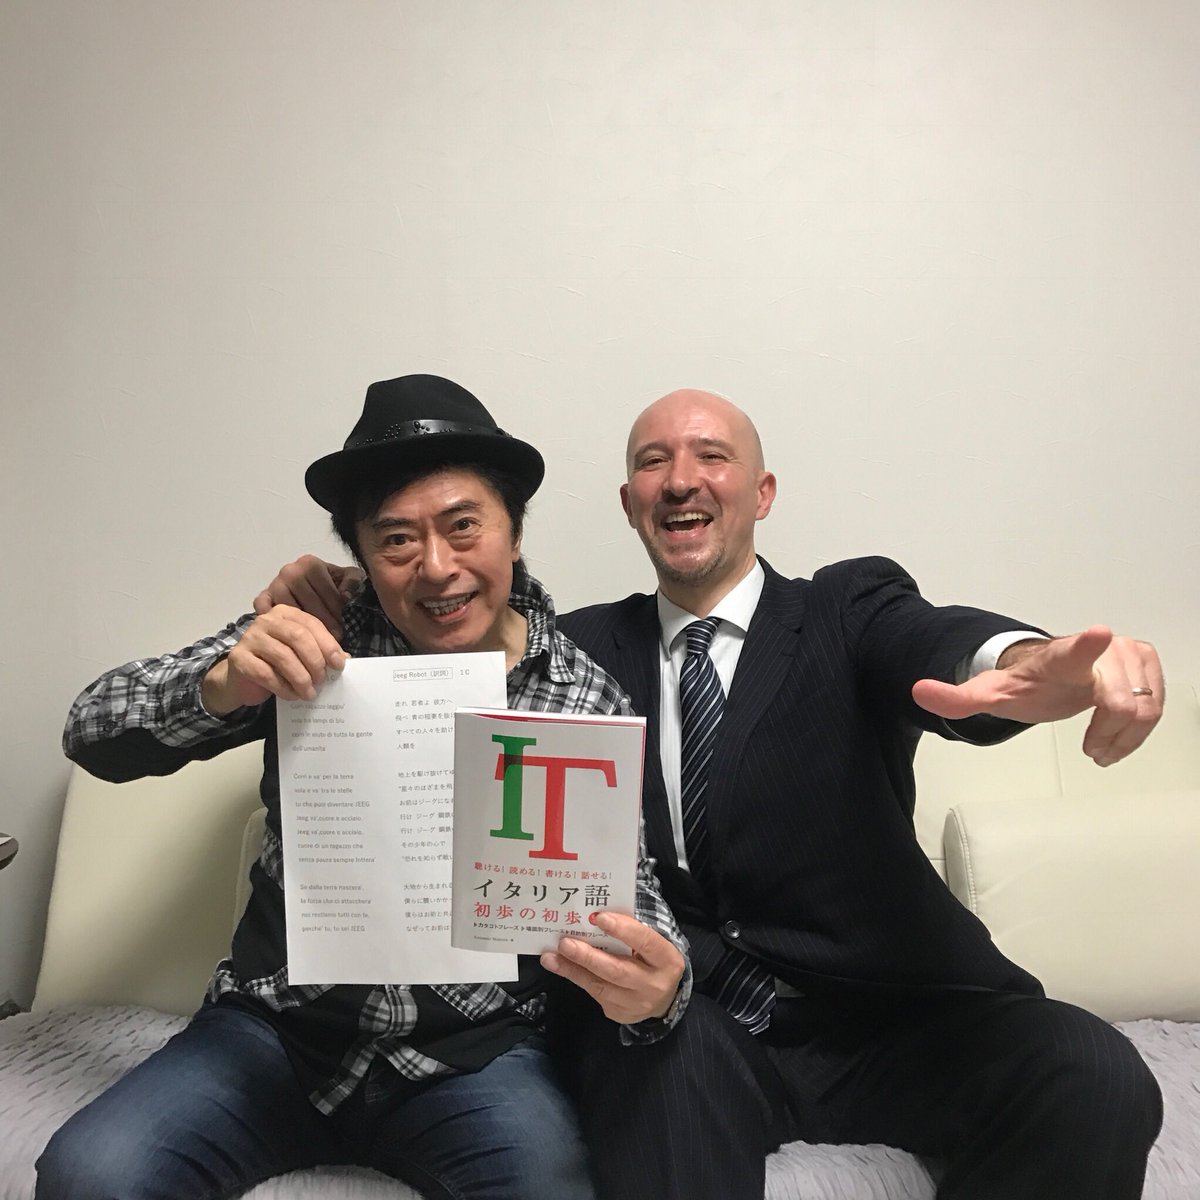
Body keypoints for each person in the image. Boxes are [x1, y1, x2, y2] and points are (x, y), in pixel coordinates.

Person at [256, 387, 1165, 1200]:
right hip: (694, 1025)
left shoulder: (847, 610)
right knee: (657, 1065)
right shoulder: (570, 659)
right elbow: (442, 651)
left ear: (761, 494)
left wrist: (1025, 661)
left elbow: (932, 643)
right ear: (630, 505)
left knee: (1097, 1073)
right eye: (653, 462)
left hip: (894, 1023)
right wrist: (347, 591)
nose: (681, 480)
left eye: (712, 457)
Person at [42, 375, 689, 1200]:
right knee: (91, 1173)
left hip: (475, 1055)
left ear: (515, 531)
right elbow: (91, 728)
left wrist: (659, 981)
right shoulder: (312, 639)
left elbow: (622, 884)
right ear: (360, 554)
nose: (438, 568)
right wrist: (223, 682)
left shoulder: (576, 694)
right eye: (396, 540)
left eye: (464, 526)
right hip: (275, 1034)